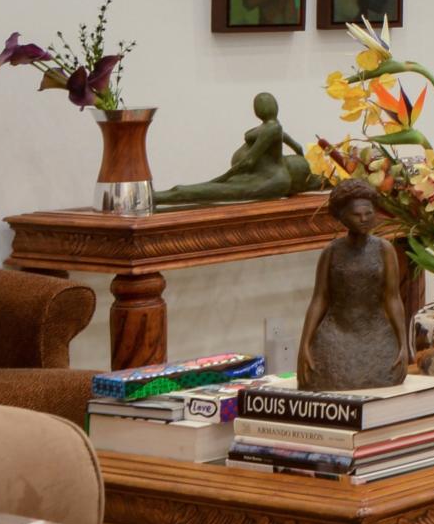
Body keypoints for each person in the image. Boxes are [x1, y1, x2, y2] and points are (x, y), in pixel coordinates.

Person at [297, 178, 412, 390]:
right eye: (356, 214)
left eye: (369, 213)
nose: (364, 219)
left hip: (376, 334)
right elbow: (320, 298)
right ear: (342, 216)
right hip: (336, 334)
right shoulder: (332, 251)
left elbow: (393, 297)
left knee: (388, 374)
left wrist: (404, 344)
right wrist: (304, 344)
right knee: (320, 378)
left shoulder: (384, 249)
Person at [155, 93, 314, 206]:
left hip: (268, 179)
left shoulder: (272, 129)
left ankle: (158, 198)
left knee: (212, 190)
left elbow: (249, 161)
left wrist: (221, 178)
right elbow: (298, 147)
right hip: (257, 175)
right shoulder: (273, 127)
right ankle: (159, 197)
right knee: (214, 190)